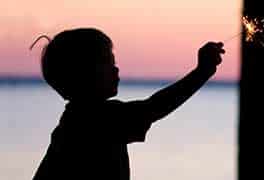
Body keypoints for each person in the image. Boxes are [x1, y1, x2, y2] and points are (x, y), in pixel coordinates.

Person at [31, 28, 225, 180]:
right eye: (107, 63)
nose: (116, 69)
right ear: (83, 74)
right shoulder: (102, 119)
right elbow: (156, 106)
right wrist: (202, 71)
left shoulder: (70, 124)